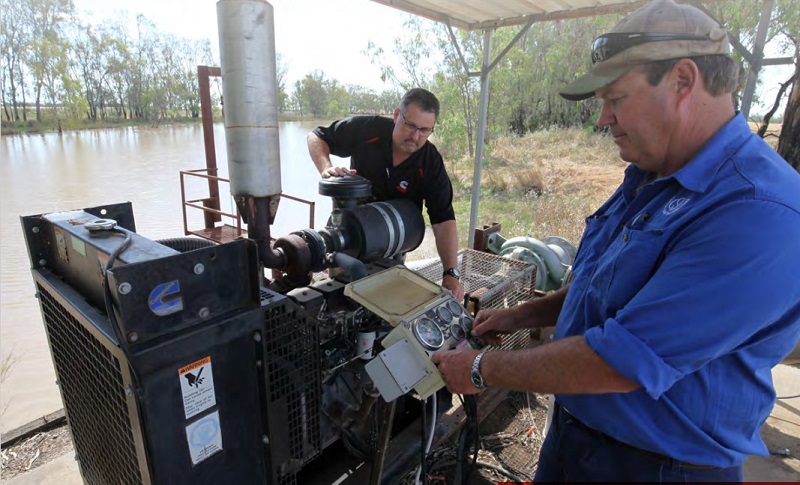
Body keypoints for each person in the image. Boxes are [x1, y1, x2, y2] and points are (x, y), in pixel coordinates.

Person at [431, 0, 800, 481]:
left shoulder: (758, 212)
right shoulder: (653, 174)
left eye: (617, 98)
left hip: (658, 467)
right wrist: (527, 313)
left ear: (683, 82)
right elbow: (606, 286)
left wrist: (481, 368)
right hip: (574, 438)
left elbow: (622, 361)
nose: (603, 118)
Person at [308, 88, 464, 300]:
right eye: (410, 125)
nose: (416, 136)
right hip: (349, 237)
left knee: (385, 304)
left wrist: (451, 272)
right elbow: (317, 136)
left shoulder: (430, 161)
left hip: (394, 242)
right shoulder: (368, 129)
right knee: (340, 299)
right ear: (397, 115)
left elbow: (443, 218)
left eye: (425, 130)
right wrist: (326, 168)